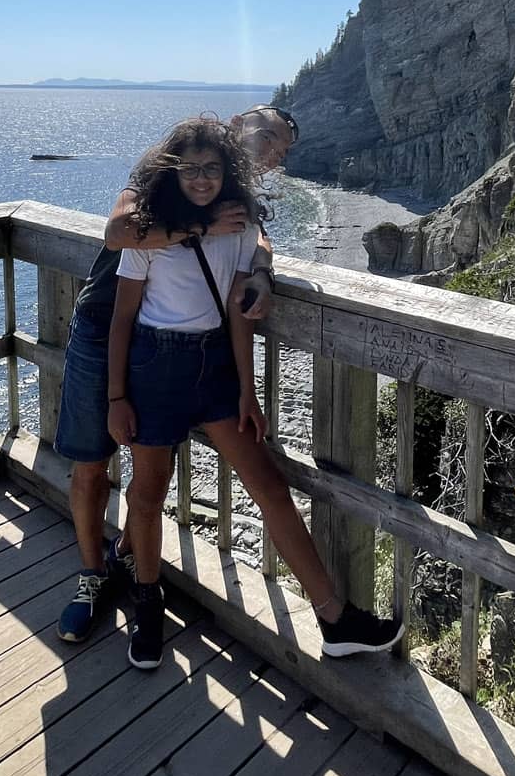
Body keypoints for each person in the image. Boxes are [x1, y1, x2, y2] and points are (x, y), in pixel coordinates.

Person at [105, 114, 402, 669]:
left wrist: (248, 392)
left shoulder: (240, 226)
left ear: (227, 171)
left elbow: (239, 315)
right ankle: (147, 604)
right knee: (148, 493)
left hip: (214, 368)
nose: (201, 179)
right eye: (190, 169)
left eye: (212, 170)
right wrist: (115, 396)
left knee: (269, 486)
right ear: (174, 170)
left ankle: (335, 618)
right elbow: (123, 319)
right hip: (154, 367)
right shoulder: (150, 227)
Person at [53, 105, 296, 643]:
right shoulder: (169, 170)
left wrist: (260, 270)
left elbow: (254, 239)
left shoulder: (232, 196)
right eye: (270, 132)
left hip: (167, 348)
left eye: (283, 146)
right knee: (93, 459)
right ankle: (92, 577)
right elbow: (119, 231)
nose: (274, 148)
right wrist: (204, 225)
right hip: (106, 327)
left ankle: (129, 565)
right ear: (237, 124)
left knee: (149, 468)